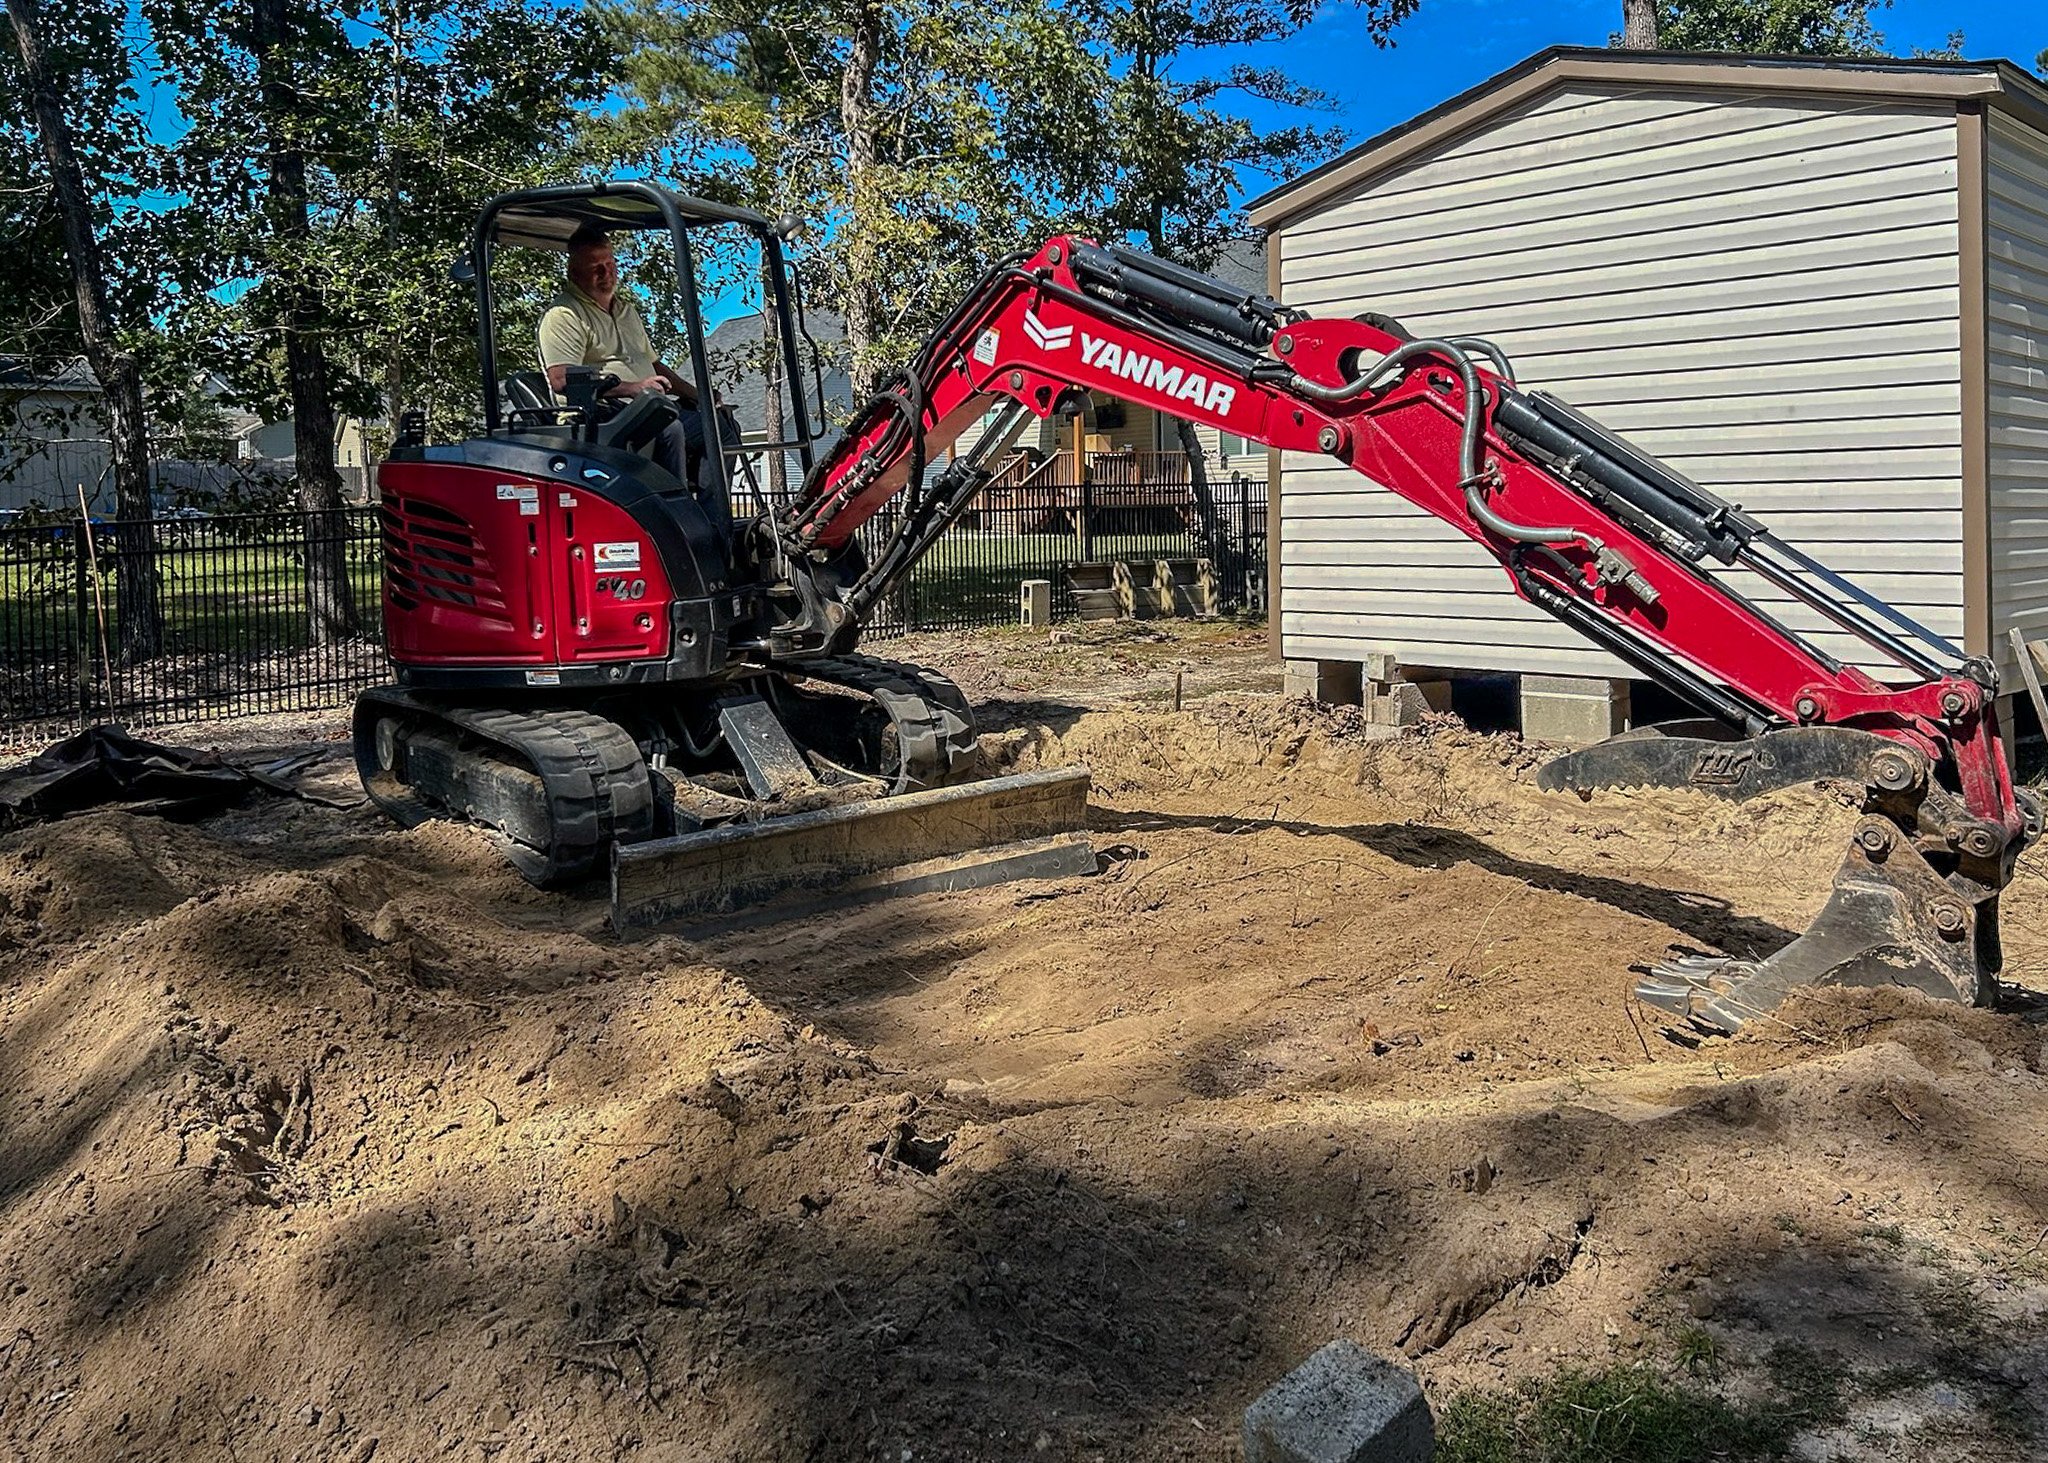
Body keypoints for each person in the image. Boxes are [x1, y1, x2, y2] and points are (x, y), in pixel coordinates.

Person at [536, 224, 719, 490]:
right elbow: (561, 378)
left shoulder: (626, 311)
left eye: (610, 264)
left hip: (645, 407)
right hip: (598, 417)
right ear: (574, 273)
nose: (606, 273)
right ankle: (673, 514)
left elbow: (654, 364)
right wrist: (633, 389)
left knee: (716, 425)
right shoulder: (564, 315)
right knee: (668, 427)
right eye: (596, 267)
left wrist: (698, 394)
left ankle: (712, 517)